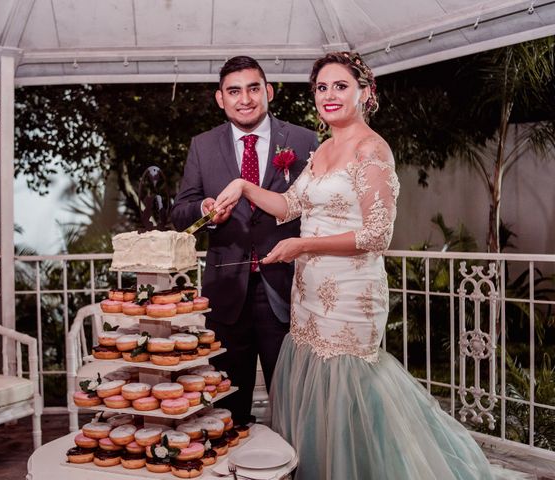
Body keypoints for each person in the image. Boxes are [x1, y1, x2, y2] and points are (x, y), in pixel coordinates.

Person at [214, 52, 525, 479]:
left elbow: (376, 236)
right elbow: (288, 205)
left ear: (365, 92)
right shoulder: (323, 150)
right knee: (314, 394)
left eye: (340, 86)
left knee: (348, 393)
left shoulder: (371, 149)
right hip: (307, 300)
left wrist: (301, 244)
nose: (329, 95)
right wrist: (244, 185)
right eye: (321, 87)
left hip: (350, 297)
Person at [171, 56, 319, 425]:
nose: (245, 98)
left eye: (253, 88)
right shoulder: (203, 146)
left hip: (285, 289)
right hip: (226, 294)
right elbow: (180, 212)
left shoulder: (303, 140)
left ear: (267, 91)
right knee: (226, 407)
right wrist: (205, 208)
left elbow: (317, 206)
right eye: (234, 91)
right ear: (220, 98)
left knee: (291, 403)